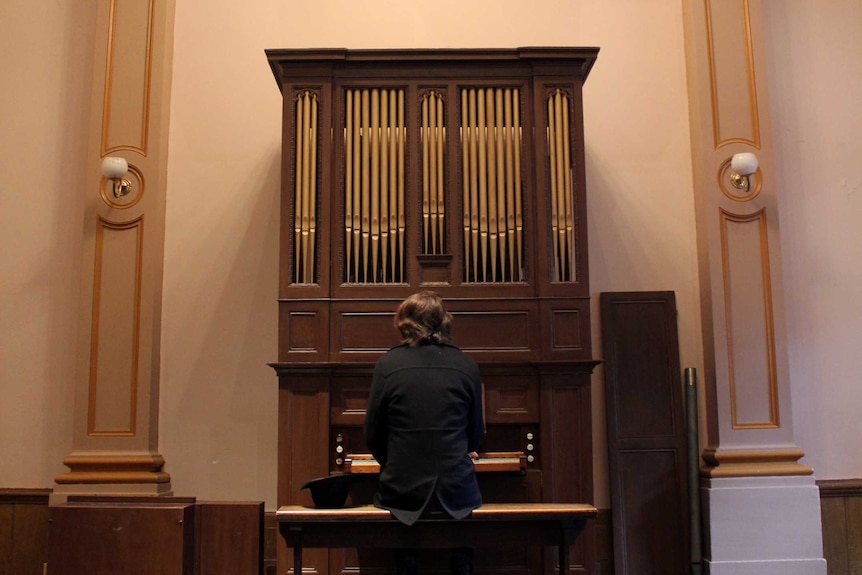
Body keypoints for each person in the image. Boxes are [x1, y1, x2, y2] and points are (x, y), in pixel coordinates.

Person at [364, 291, 485, 575]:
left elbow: (372, 433)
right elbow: (476, 434)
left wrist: (396, 461)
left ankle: (407, 564)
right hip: (455, 486)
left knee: (404, 545)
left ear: (405, 323)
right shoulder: (467, 366)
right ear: (443, 322)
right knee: (463, 524)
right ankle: (462, 564)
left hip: (403, 486)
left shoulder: (387, 366)